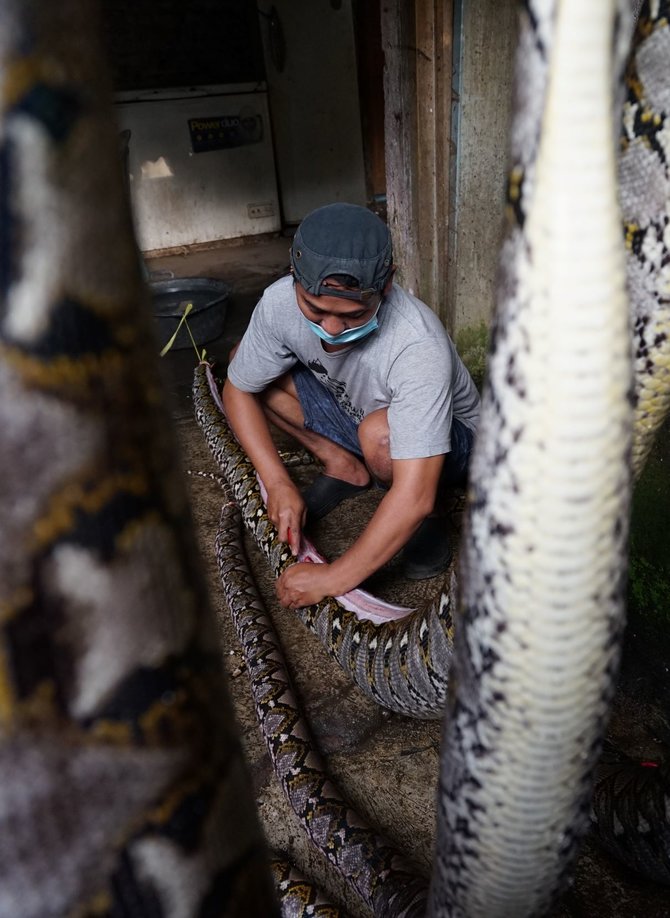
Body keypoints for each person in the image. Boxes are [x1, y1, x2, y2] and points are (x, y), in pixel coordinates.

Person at [222, 203, 480, 610]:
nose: (332, 329)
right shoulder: (277, 305)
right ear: (293, 277)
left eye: (354, 314)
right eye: (316, 309)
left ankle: (427, 532)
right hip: (357, 412)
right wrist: (277, 483)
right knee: (247, 362)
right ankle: (346, 467)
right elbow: (237, 389)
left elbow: (414, 495)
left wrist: (331, 577)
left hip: (448, 444)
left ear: (388, 285)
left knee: (380, 435)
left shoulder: (418, 345)